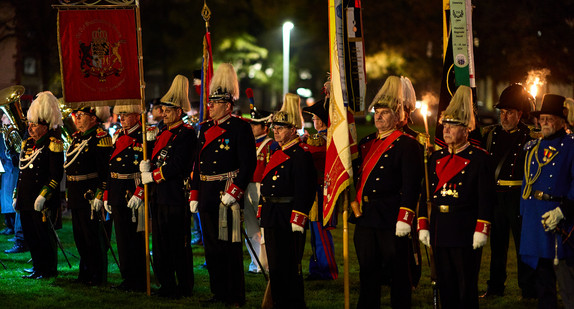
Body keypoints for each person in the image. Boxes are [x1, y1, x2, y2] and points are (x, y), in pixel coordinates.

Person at [418, 85, 495, 309]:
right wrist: (423, 223)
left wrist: (482, 229)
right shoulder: (435, 158)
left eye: (452, 126)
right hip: (440, 227)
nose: (446, 130)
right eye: (445, 125)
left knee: (465, 286)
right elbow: (426, 193)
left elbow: (486, 198)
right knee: (445, 284)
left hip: (465, 229)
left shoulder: (480, 159)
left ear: (466, 129)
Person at [351, 76, 423, 308]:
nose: (378, 116)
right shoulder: (367, 142)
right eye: (377, 111)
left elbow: (412, 185)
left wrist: (405, 217)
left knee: (398, 273)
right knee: (367, 271)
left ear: (397, 116)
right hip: (366, 215)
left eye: (385, 112)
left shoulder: (407, 145)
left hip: (391, 216)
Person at [189, 63, 256, 306]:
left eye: (214, 103)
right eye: (210, 103)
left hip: (226, 193)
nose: (210, 107)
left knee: (229, 246)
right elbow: (197, 163)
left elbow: (248, 164)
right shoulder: (204, 128)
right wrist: (194, 193)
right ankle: (218, 291)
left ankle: (235, 295)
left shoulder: (240, 127)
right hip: (207, 193)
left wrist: (235, 191)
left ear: (227, 106)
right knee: (212, 247)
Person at [136, 75, 197, 298]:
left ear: (179, 111)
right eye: (163, 110)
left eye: (168, 110)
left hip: (175, 195)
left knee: (177, 244)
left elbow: (177, 165)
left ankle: (184, 286)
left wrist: (152, 175)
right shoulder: (162, 131)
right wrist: (146, 167)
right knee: (160, 244)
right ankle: (167, 283)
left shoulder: (186, 134)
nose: (164, 114)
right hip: (159, 196)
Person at [260, 93, 316, 308]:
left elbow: (306, 188)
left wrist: (299, 215)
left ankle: (292, 303)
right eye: (274, 127)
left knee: (290, 266)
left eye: (281, 128)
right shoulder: (276, 151)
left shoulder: (300, 154)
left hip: (289, 214)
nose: (276, 131)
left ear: (293, 129)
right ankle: (278, 301)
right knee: (275, 265)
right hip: (272, 214)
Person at [481, 84, 537, 298]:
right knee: (497, 245)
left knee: (524, 245)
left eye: (509, 112)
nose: (504, 117)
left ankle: (528, 289)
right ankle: (495, 287)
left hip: (519, 198)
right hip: (496, 198)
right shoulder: (491, 134)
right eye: (502, 112)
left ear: (519, 114)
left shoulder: (530, 136)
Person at [520, 94, 574, 309]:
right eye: (541, 118)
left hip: (561, 216)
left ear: (562, 120)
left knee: (566, 273)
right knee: (542, 275)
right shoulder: (532, 147)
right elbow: (526, 184)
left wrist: (563, 211)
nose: (544, 123)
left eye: (549, 118)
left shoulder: (571, 145)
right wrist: (525, 215)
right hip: (536, 217)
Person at [15, 91, 64, 279]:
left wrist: (44, 195)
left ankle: (48, 269)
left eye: (34, 125)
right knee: (30, 235)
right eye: (30, 125)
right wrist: (16, 195)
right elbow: (22, 172)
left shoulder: (53, 144)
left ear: (44, 127)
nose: (30, 128)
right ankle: (37, 266)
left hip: (41, 199)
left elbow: (55, 174)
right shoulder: (27, 144)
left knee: (44, 236)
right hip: (26, 198)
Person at [65, 105, 112, 285]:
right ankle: (84, 273)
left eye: (82, 115)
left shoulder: (100, 138)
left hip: (91, 194)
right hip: (77, 194)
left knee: (93, 237)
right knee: (80, 237)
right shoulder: (77, 138)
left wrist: (100, 194)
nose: (77, 118)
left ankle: (97, 276)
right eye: (77, 115)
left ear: (93, 118)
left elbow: (105, 171)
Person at [104, 104, 146, 292]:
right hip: (117, 191)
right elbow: (111, 166)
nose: (121, 118)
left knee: (134, 239)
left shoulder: (143, 136)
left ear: (137, 115)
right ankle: (127, 277)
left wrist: (140, 193)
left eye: (125, 114)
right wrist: (107, 194)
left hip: (132, 191)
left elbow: (146, 168)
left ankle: (138, 278)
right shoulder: (120, 135)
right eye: (120, 115)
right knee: (121, 238)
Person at [302, 95, 338, 281]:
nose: (312, 121)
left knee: (321, 233)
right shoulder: (317, 138)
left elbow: (314, 153)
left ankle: (328, 270)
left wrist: (302, 143)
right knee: (314, 234)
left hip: (321, 191)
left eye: (315, 118)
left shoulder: (325, 140)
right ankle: (316, 269)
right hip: (313, 191)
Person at [244, 104, 273, 274]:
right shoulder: (247, 143)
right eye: (251, 124)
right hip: (247, 187)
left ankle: (266, 264)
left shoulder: (271, 145)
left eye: (255, 124)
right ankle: (256, 264)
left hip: (261, 188)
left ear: (265, 127)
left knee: (264, 228)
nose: (252, 127)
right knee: (251, 229)